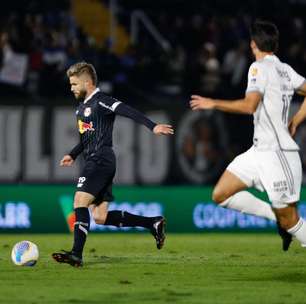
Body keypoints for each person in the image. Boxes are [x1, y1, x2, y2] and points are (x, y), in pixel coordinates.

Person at [190, 20, 306, 251]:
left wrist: (213, 102)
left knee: (290, 218)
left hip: (277, 155)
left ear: (253, 44)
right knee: (221, 194)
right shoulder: (285, 69)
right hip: (258, 151)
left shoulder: (258, 68)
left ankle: (285, 223)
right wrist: (295, 122)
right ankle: (275, 218)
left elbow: (249, 105)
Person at [52, 62, 174, 267]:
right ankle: (152, 223)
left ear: (87, 82)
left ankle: (76, 254)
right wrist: (72, 155)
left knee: (79, 202)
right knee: (99, 216)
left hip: (100, 160)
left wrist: (152, 126)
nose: (71, 87)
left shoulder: (101, 101)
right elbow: (85, 139)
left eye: (74, 84)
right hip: (97, 160)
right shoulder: (81, 109)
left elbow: (127, 110)